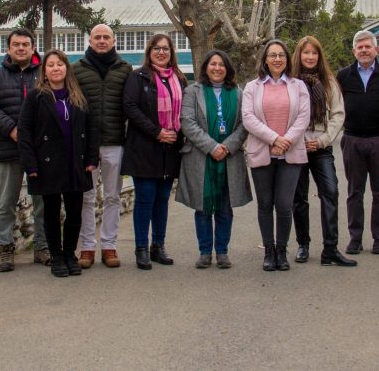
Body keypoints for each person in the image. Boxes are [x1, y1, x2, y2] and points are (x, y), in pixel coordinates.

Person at [17, 50, 99, 278]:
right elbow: (24, 131)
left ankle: (70, 253)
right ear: (44, 70)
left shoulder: (78, 96)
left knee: (74, 212)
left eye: (59, 64)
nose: (55, 68)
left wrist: (92, 158)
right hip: (47, 164)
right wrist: (30, 165)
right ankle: (56, 255)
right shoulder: (35, 97)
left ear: (66, 68)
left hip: (76, 162)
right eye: (50, 65)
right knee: (51, 213)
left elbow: (91, 128)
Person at [0, 29, 48, 272]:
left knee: (42, 201)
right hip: (8, 148)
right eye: (16, 44)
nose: (21, 48)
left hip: (40, 150)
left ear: (32, 48)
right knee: (6, 202)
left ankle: (42, 247)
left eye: (25, 44)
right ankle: (5, 249)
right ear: (8, 48)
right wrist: (12, 129)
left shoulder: (44, 74)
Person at [176, 50, 251, 269]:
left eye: (221, 64)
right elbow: (187, 122)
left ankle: (223, 251)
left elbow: (245, 123)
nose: (217, 68)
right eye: (213, 64)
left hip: (230, 157)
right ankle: (205, 251)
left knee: (225, 207)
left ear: (227, 69)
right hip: (201, 156)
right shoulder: (192, 91)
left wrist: (227, 147)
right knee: (203, 206)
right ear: (205, 67)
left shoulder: (239, 93)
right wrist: (211, 146)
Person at [242, 39, 311, 271]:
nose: (277, 59)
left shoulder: (298, 86)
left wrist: (286, 141)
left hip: (290, 154)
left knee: (284, 204)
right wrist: (274, 139)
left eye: (281, 55)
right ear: (265, 59)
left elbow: (303, 117)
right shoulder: (253, 87)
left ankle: (282, 251)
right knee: (265, 204)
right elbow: (248, 118)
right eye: (272, 55)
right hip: (262, 152)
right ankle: (268, 252)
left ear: (287, 58)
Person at [122, 33, 187, 270]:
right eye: (157, 49)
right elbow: (130, 107)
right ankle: (141, 247)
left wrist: (175, 134)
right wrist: (157, 131)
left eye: (166, 49)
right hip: (144, 148)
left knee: (162, 200)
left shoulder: (179, 79)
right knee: (145, 199)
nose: (161, 53)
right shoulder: (137, 77)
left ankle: (158, 246)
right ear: (149, 52)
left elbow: (186, 111)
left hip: (170, 148)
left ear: (171, 53)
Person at [290, 36, 357, 267]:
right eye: (306, 53)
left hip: (321, 147)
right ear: (299, 55)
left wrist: (323, 140)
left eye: (314, 53)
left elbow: (338, 114)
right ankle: (303, 244)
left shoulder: (328, 82)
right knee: (298, 198)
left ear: (319, 56)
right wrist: (295, 140)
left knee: (330, 191)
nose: (310, 57)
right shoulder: (290, 81)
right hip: (296, 148)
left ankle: (330, 248)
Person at [72, 24, 133, 269]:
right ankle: (87, 246)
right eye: (97, 37)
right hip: (85, 144)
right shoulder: (76, 69)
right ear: (89, 40)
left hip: (114, 142)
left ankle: (109, 245)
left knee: (112, 196)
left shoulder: (125, 69)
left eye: (106, 37)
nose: (101, 40)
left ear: (114, 40)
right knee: (86, 197)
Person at [336, 31, 379, 255]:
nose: (363, 51)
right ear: (354, 51)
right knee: (355, 192)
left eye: (367, 47)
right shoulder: (343, 76)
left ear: (376, 50)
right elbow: (336, 107)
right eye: (359, 47)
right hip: (352, 139)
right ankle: (355, 237)